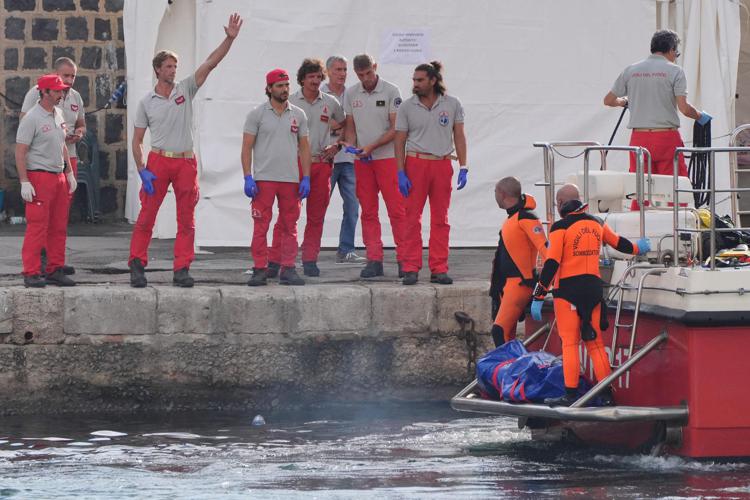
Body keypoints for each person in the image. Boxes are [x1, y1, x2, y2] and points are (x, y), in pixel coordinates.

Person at [129, 13, 243, 288]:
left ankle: (182, 268)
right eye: (168, 66)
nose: (173, 70)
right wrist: (142, 169)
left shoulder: (186, 89)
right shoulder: (147, 101)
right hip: (158, 160)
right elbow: (136, 140)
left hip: (184, 162)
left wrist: (228, 39)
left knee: (186, 218)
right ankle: (136, 264)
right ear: (157, 69)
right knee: (147, 216)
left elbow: (210, 64)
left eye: (175, 66)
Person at [530, 184, 651, 407]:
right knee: (594, 343)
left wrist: (538, 296)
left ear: (560, 204)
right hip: (594, 290)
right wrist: (638, 247)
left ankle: (571, 394)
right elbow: (619, 244)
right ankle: (606, 393)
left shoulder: (560, 228)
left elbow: (551, 264)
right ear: (580, 201)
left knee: (570, 343)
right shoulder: (596, 223)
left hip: (567, 291)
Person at [266, 58, 344, 278]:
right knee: (287, 215)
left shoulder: (331, 102)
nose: (315, 81)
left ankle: (310, 259)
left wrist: (337, 144)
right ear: (302, 79)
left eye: (319, 77)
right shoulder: (289, 101)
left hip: (321, 164)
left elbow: (347, 124)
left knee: (316, 215)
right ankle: (275, 260)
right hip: (295, 165)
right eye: (311, 77)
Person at [394, 61, 468, 285]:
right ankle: (410, 267)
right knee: (411, 218)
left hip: (442, 163)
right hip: (416, 163)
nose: (415, 84)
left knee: (441, 219)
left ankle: (439, 267)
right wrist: (400, 171)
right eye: (414, 80)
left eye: (420, 80)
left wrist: (463, 166)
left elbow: (459, 136)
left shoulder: (452, 104)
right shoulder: (406, 107)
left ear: (433, 80)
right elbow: (399, 141)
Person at [603, 29, 711, 181]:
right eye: (676, 53)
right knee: (674, 190)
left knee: (640, 191)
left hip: (639, 139)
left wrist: (624, 102)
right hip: (666, 138)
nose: (675, 57)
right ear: (672, 49)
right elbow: (684, 109)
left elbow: (608, 100)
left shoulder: (631, 70)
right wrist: (700, 116)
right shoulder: (675, 71)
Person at [242, 68, 312, 286]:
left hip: (290, 180)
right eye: (280, 86)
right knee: (260, 225)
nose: (284, 90)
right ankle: (260, 268)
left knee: (290, 226)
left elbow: (305, 148)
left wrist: (306, 177)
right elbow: (246, 148)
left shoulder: (298, 114)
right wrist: (247, 176)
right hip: (264, 179)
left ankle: (288, 268)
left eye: (287, 85)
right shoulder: (257, 114)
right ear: (269, 88)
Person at [20, 57, 85, 276]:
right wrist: (24, 181)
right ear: (45, 92)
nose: (62, 92)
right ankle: (32, 270)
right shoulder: (32, 116)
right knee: (38, 226)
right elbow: (20, 149)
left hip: (59, 171)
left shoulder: (58, 113)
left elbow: (62, 143)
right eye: (57, 90)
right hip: (40, 173)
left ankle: (54, 266)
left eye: (71, 77)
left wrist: (68, 172)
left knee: (58, 223)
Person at [343, 54, 406, 278]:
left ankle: (404, 259)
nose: (366, 78)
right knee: (368, 212)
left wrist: (371, 146)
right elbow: (350, 127)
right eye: (360, 75)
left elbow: (395, 128)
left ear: (375, 67)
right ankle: (374, 259)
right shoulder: (351, 93)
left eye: (368, 73)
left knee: (397, 211)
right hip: (363, 161)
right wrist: (351, 146)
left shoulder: (391, 90)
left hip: (387, 158)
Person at [488, 177, 548, 346]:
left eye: (495, 192)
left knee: (499, 331)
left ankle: (508, 368)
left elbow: (545, 250)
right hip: (507, 284)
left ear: (502, 194)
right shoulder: (512, 218)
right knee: (507, 334)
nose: (495, 196)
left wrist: (544, 284)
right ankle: (510, 367)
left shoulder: (526, 218)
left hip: (519, 284)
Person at [321, 55, 366, 265]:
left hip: (347, 159)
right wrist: (341, 124)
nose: (342, 73)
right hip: (325, 158)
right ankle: (308, 251)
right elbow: (320, 122)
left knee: (352, 205)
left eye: (345, 69)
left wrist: (339, 125)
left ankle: (346, 248)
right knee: (318, 206)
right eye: (338, 69)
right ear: (328, 71)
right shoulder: (319, 94)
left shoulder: (353, 94)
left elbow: (353, 123)